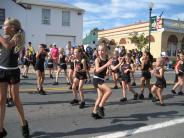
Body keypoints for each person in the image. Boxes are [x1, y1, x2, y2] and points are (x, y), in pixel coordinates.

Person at [0, 17, 29, 138]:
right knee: (1, 100)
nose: (2, 27)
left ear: (12, 28)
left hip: (13, 72)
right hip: (2, 70)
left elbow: (7, 46)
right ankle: (0, 129)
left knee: (15, 99)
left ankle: (23, 123)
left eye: (4, 25)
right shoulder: (4, 38)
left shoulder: (18, 37)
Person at [92, 44, 112, 119]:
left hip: (101, 79)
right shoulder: (97, 59)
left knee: (100, 97)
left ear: (106, 51)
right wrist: (107, 64)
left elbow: (106, 71)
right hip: (97, 79)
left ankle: (94, 112)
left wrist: (108, 71)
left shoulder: (106, 60)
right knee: (109, 91)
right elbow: (97, 70)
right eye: (99, 50)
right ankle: (100, 106)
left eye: (102, 50)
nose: (100, 52)